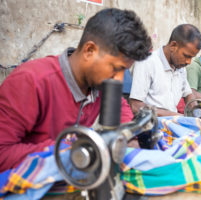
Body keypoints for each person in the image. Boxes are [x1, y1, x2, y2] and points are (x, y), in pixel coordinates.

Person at [0, 8, 152, 172]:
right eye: (116, 68)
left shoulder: (99, 85)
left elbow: (121, 107)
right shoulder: (31, 82)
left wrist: (129, 138)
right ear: (89, 51)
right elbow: (2, 153)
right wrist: (71, 149)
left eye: (124, 71)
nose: (119, 79)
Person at [129, 24, 201, 116]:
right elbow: (136, 106)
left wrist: (197, 113)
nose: (188, 62)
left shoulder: (180, 67)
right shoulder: (147, 62)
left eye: (192, 57)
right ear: (173, 45)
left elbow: (188, 94)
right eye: (186, 56)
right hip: (152, 125)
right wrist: (176, 116)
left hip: (172, 123)